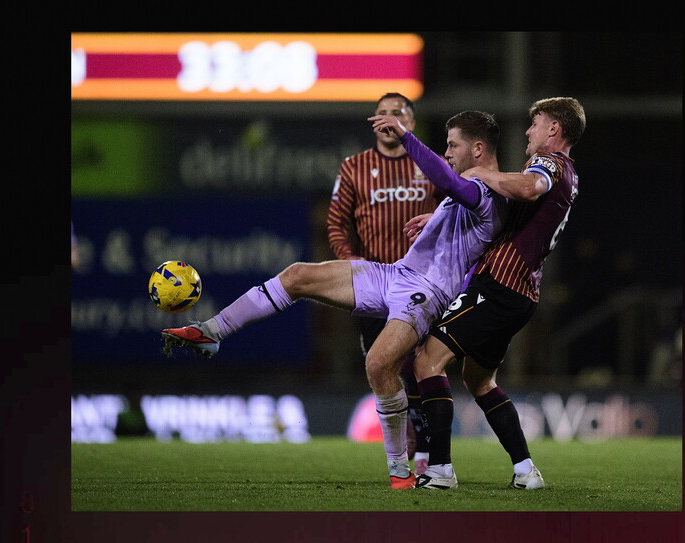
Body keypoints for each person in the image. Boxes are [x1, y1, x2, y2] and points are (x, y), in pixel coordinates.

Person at [161, 110, 508, 489]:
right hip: (397, 274)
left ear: (478, 148)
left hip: (428, 292)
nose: (448, 152)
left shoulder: (488, 189)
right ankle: (211, 332)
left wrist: (408, 138)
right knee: (297, 275)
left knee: (378, 363)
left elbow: (449, 182)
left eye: (453, 145)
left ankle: (399, 472)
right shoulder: (471, 189)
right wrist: (435, 219)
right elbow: (457, 206)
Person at [406, 96, 585, 490]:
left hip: (499, 285)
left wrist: (482, 173)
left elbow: (526, 189)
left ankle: (439, 471)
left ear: (554, 129)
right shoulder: (569, 173)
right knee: (479, 380)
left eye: (535, 123)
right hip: (521, 294)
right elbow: (507, 212)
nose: (528, 130)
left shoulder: (550, 164)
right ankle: (526, 470)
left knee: (426, 362)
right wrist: (440, 218)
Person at [327, 93, 440, 473]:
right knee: (385, 367)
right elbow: (335, 225)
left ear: (411, 121)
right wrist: (350, 261)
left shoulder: (431, 165)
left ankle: (426, 451)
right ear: (373, 122)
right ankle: (407, 441)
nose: (389, 119)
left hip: (423, 284)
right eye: (383, 114)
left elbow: (456, 210)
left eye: (398, 113)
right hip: (375, 286)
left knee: (421, 366)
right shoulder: (354, 167)